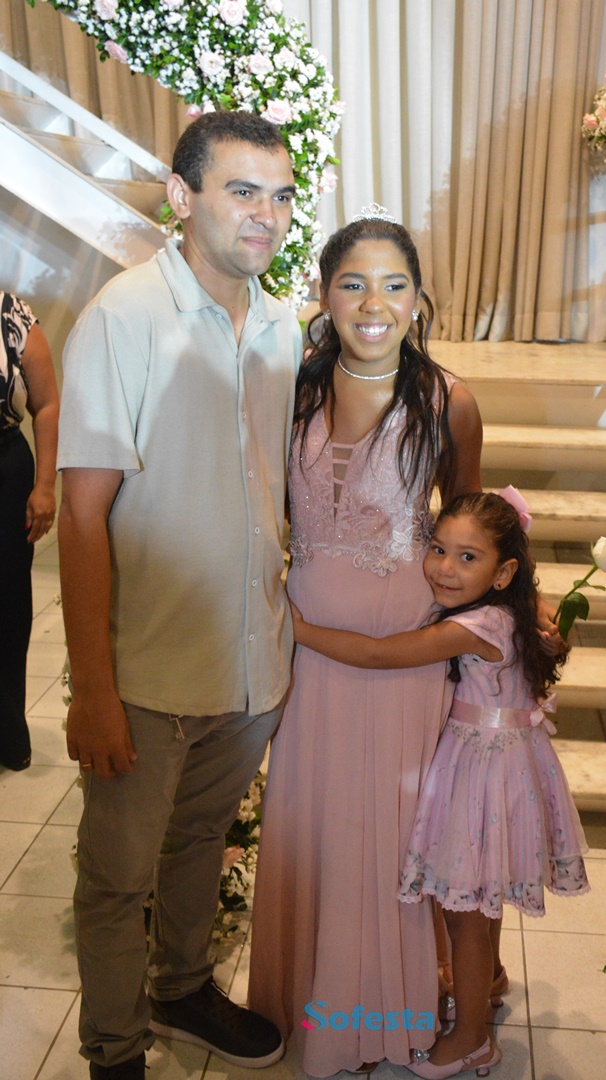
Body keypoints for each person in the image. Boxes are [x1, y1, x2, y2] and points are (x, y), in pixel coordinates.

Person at [56, 111, 301, 1080]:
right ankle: (115, 1050)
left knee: (202, 839)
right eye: (242, 191)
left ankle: (182, 987)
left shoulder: (282, 328)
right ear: (181, 195)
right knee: (117, 877)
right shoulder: (125, 318)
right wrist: (93, 688)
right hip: (147, 668)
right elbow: (82, 518)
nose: (266, 215)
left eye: (281, 196)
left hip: (249, 662)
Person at [247, 210, 484, 1076]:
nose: (373, 303)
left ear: (418, 299)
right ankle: (309, 1005)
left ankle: (383, 1016)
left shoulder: (449, 401)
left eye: (393, 285)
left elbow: (471, 532)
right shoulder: (292, 388)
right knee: (311, 824)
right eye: (352, 283)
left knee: (389, 835)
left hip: (400, 653)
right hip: (305, 647)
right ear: (323, 294)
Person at [292, 491, 589, 1078]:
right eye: (437, 549)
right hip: (505, 767)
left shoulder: (477, 625)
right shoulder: (508, 612)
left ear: (504, 572)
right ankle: (488, 983)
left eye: (467, 557)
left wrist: (300, 631)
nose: (445, 568)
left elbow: (377, 655)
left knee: (464, 915)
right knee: (483, 898)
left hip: (482, 777)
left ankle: (472, 1039)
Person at [0, 292, 58, 771]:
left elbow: (48, 404)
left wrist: (44, 485)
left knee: (7, 602)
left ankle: (7, 735)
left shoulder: (11, 315)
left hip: (5, 473)